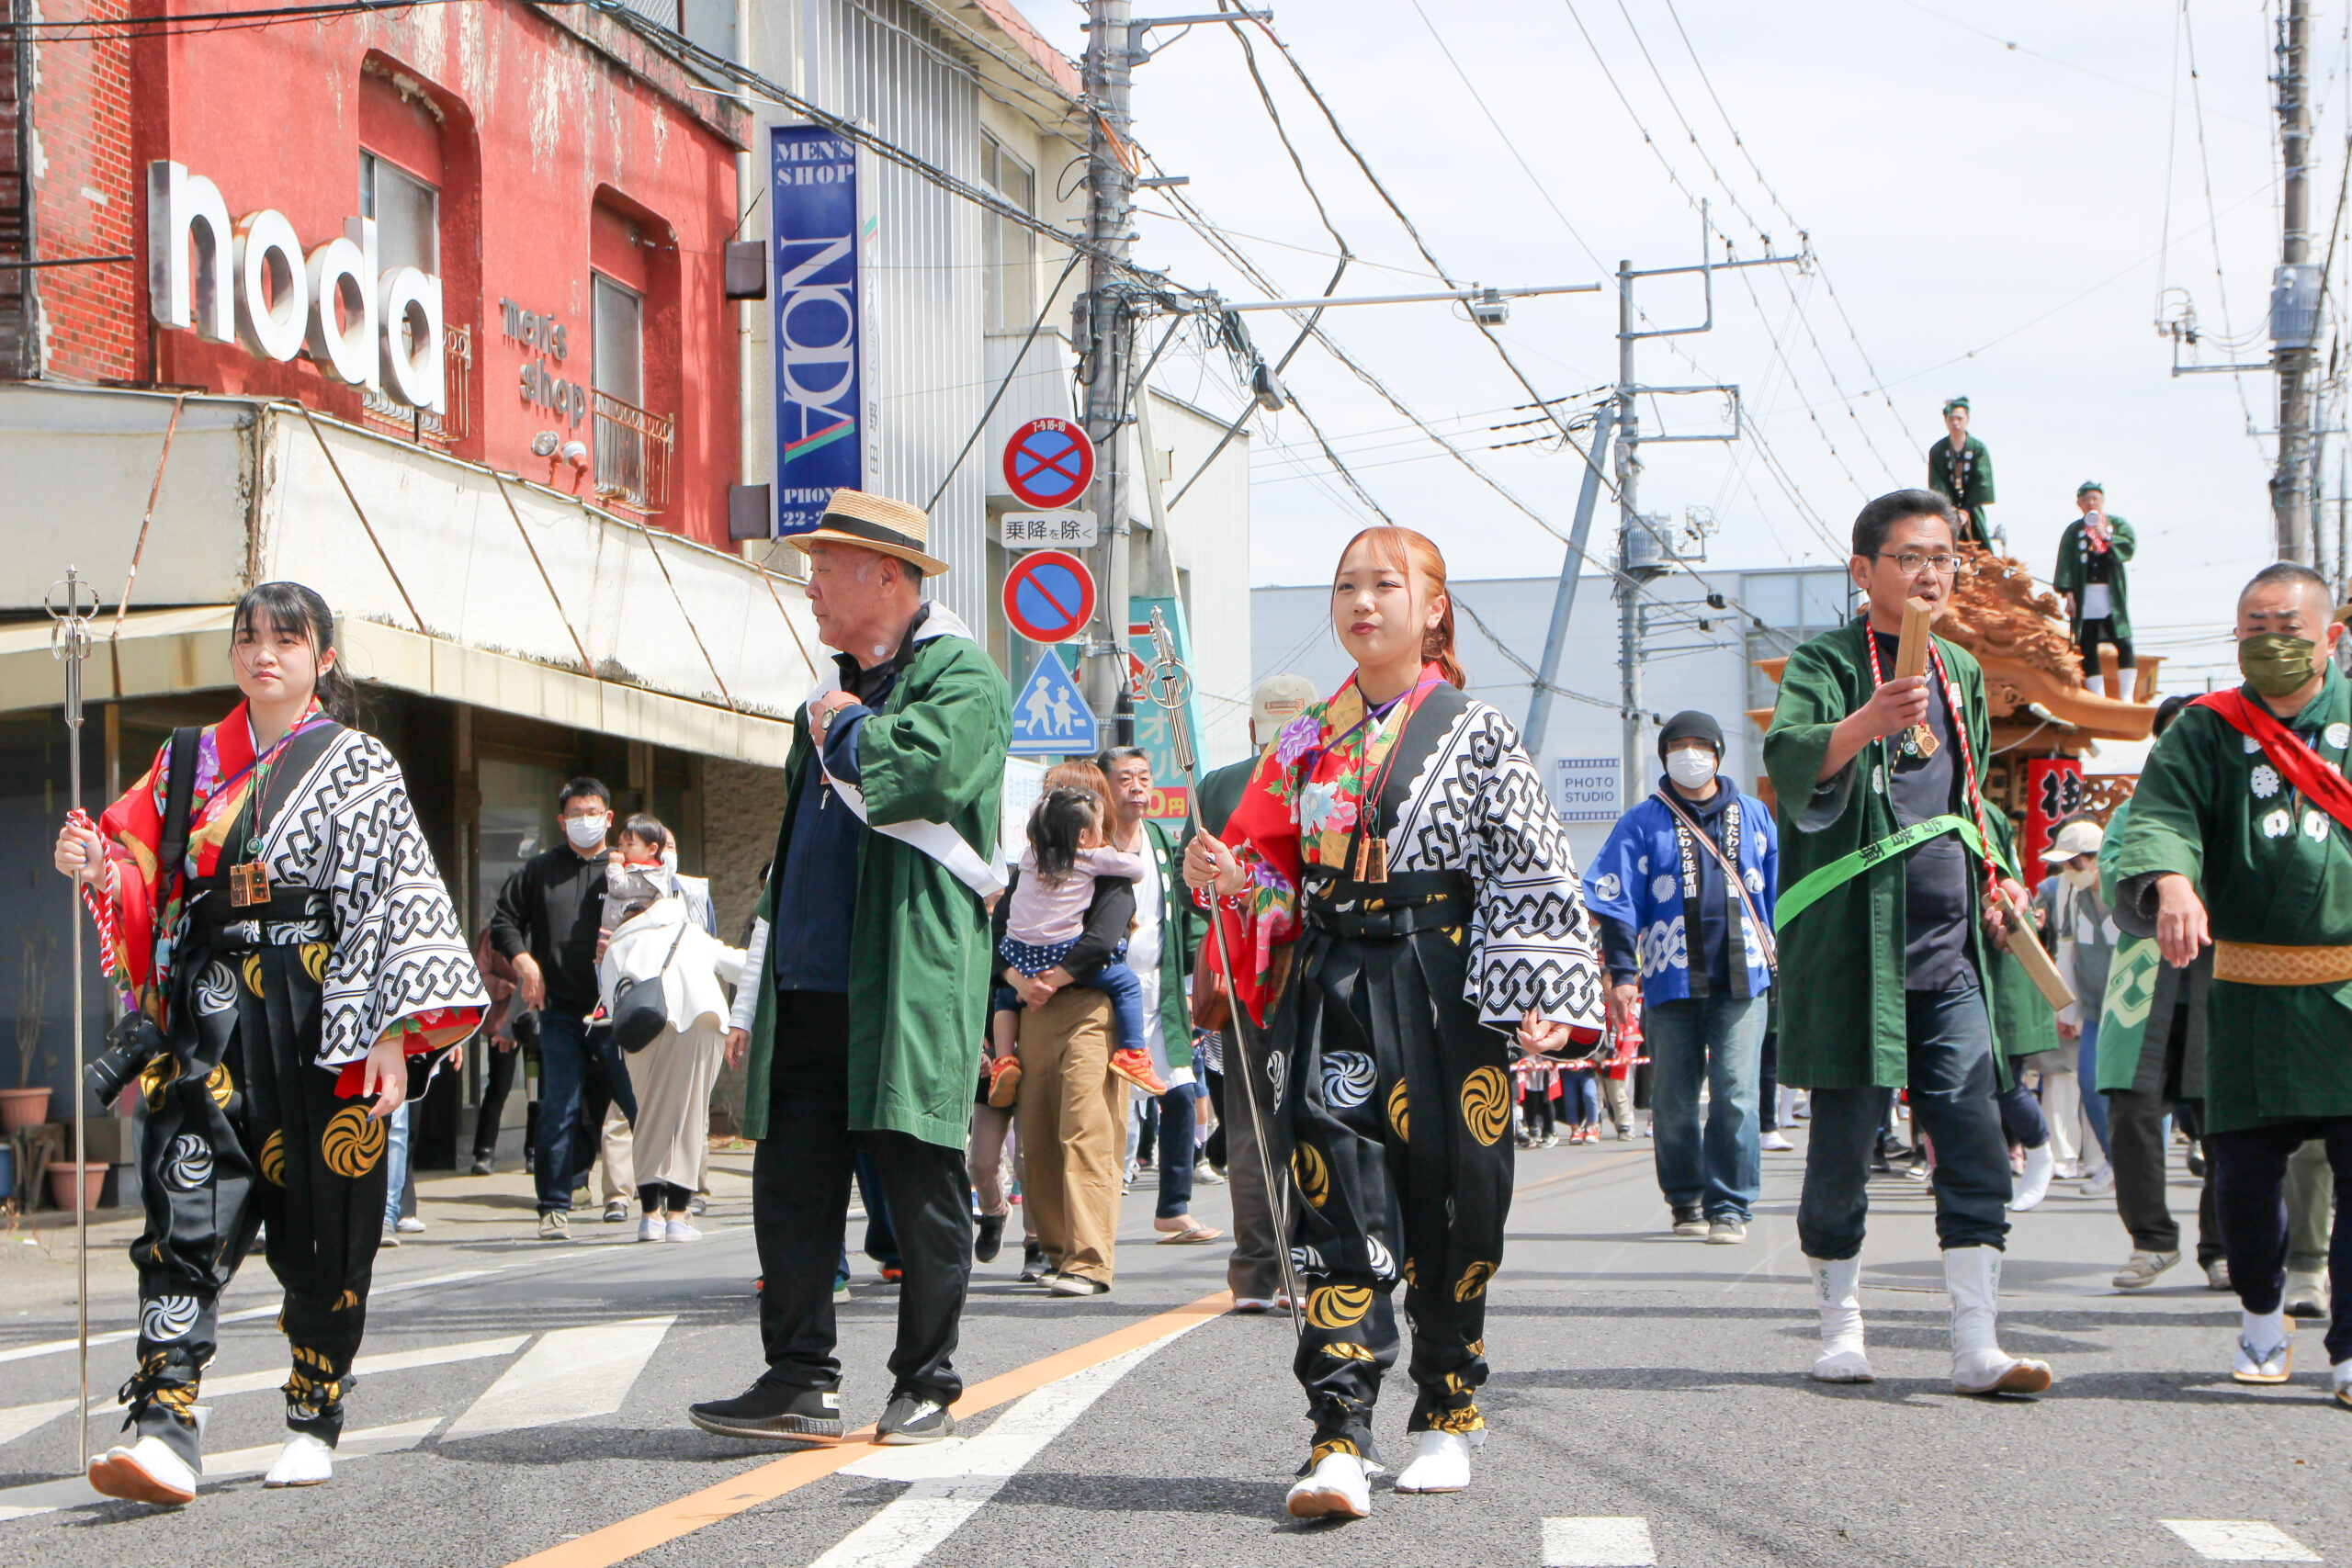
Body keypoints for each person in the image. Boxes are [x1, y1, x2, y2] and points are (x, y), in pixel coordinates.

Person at [1186, 525, 1607, 1518]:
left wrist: (1543, 998)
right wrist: (1231, 879)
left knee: (1455, 1198)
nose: (1361, 603)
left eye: (1385, 585)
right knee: (1334, 1197)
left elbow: (1530, 869)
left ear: (1432, 610)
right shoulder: (1300, 741)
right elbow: (1269, 870)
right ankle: (1337, 1432)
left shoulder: (1479, 729)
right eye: (1344, 587)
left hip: (1443, 982)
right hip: (1330, 982)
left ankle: (1447, 1407)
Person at [55, 581, 484, 1504]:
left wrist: (396, 1034)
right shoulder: (185, 761)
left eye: (287, 641)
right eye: (249, 638)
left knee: (327, 1224)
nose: (265, 655)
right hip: (209, 1011)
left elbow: (395, 898)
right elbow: (138, 867)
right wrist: (99, 862)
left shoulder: (360, 763)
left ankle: (313, 1407)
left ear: (322, 657)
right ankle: (166, 1416)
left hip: (324, 1009)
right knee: (181, 1206)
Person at [687, 490, 1009, 1449]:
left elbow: (921, 776)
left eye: (826, 567)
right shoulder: (828, 694)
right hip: (808, 983)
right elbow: (791, 857)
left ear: (888, 575)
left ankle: (927, 1383)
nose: (812, 585)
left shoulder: (962, 679)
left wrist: (840, 727)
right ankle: (797, 1377)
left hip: (905, 978)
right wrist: (756, 982)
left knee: (917, 1180)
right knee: (791, 1185)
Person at [1764, 489, 2054, 1396]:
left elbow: (1973, 801)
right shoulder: (1822, 661)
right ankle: (1840, 1323)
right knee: (1843, 1141)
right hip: (1855, 946)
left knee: (1969, 1130)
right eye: (1910, 557)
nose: (1930, 572)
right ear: (1864, 571)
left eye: (1942, 557)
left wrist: (2000, 882)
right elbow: (1788, 760)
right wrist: (1864, 723)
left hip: (1948, 945)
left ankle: (1975, 1341)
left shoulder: (1962, 670)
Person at [2109, 560, 2352, 1406]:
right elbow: (2163, 814)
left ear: (2331, 634)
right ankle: (2258, 1314)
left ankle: (2350, 1349)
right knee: (2242, 1175)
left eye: (2286, 625)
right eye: (2253, 626)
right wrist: (2172, 881)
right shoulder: (2206, 729)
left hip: (2349, 992)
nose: (2270, 640)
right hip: (2246, 994)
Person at [1584, 709, 1779, 1244]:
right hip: (1670, 978)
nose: (1689, 754)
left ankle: (1732, 1206)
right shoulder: (1641, 821)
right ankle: (1686, 1198)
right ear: (1664, 754)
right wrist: (1621, 974)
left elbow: (1776, 897)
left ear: (1718, 753)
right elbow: (1615, 898)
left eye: (1699, 744)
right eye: (1678, 744)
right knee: (1671, 1099)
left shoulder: (1757, 815)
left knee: (1737, 1091)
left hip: (1744, 979)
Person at [1186, 673, 1317, 1312]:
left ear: (1250, 728)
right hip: (1319, 966)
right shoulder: (1328, 778)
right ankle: (1310, 1260)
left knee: (1250, 1121)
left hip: (1245, 970)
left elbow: (1196, 885)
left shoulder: (1216, 786)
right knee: (1316, 1114)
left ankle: (1256, 1272)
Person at [491, 775, 631, 1240]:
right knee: (559, 1107)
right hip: (561, 1011)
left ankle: (663, 1197)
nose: (584, 821)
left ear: (609, 818)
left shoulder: (627, 869)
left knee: (637, 1104)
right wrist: (524, 962)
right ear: (561, 820)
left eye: (593, 813)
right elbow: (504, 921)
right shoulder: (540, 870)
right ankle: (554, 1204)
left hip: (617, 1011)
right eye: (575, 814)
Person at [598, 815, 741, 1242]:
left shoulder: (618, 943)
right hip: (701, 1022)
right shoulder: (689, 932)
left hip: (641, 1029)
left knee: (649, 1116)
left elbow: (610, 999)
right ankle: (678, 1215)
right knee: (688, 1116)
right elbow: (739, 964)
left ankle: (649, 1216)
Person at [1099, 746, 1216, 1246]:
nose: (1137, 788)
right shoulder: (1092, 837)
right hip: (1104, 990)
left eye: (1144, 778)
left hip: (1160, 989)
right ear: (1103, 784)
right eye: (1125, 779)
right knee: (1104, 1105)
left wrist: (1192, 983)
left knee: (1182, 1094)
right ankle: (1091, 1211)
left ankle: (1173, 1207)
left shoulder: (1160, 839)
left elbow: (1187, 914)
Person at [989, 786, 1165, 1103]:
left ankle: (1003, 1058)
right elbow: (1136, 869)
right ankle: (1134, 1053)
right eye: (1100, 826)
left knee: (1005, 998)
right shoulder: (1089, 857)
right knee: (1126, 982)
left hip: (1018, 954)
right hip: (1064, 953)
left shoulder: (1030, 857)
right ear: (1084, 836)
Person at [2042, 817, 2116, 1194]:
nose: (2068, 871)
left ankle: (2131, 1164)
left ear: (2095, 858)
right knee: (2089, 1082)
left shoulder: (2127, 893)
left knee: (2145, 1097)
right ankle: (2113, 1157)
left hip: (2133, 1012)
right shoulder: (2078, 898)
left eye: (2074, 863)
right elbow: (2069, 951)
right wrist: (2066, 1010)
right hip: (2094, 1010)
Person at [2052, 483, 2138, 690]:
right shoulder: (2074, 530)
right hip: (2085, 595)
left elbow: (2128, 546)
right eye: (2086, 499)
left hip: (2110, 594)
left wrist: (2106, 535)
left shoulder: (2116, 524)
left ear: (2102, 500)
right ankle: (2096, 692)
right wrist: (2069, 594)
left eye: (2095, 498)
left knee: (2123, 641)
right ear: (2079, 504)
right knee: (2087, 644)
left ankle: (2127, 694)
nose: (2091, 503)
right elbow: (2065, 564)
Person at [1925, 396, 1996, 548]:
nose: (1955, 423)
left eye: (1959, 418)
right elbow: (1937, 483)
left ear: (1967, 420)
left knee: (1981, 548)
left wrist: (1966, 510)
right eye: (1951, 419)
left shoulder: (1978, 448)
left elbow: (1981, 481)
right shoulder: (1938, 450)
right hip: (1946, 511)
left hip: (1972, 511)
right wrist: (1951, 510)